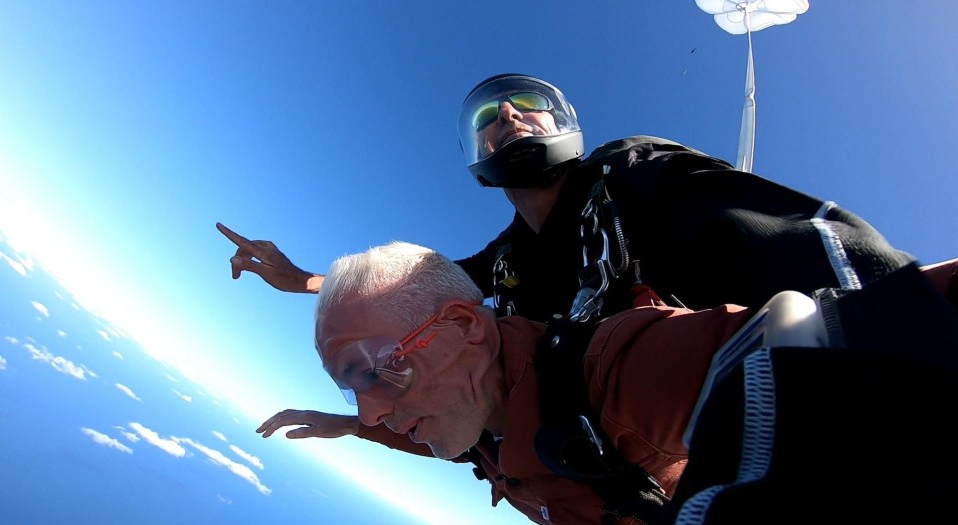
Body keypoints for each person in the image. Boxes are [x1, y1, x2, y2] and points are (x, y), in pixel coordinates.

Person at [257, 240, 958, 525]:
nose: (376, 406)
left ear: (467, 328)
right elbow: (456, 445)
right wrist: (348, 424)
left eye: (380, 368)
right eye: (353, 388)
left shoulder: (611, 367)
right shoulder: (482, 415)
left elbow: (819, 350)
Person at [219, 73, 915, 322]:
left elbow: (797, 244)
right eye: (488, 119)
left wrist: (891, 316)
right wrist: (301, 279)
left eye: (527, 105)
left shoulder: (632, 174)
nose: (508, 118)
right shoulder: (508, 259)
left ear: (565, 124)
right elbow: (418, 288)